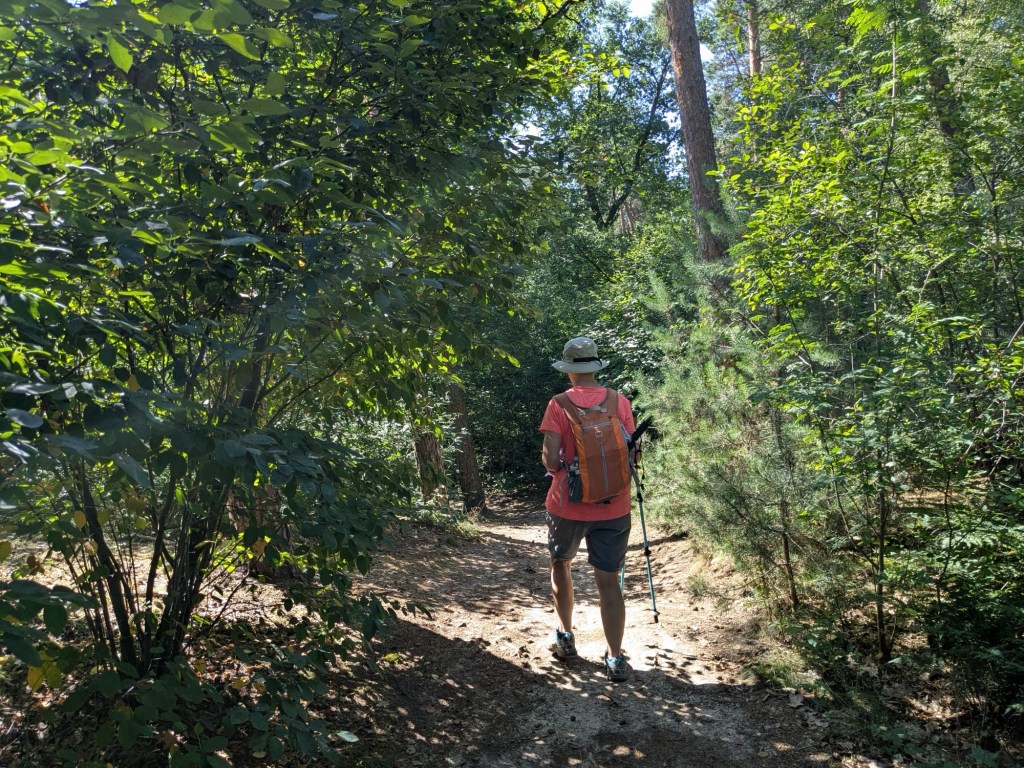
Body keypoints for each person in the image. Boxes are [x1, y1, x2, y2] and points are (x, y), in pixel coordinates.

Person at [539, 336, 636, 682]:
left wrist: (561, 469)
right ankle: (615, 657)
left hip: (568, 504)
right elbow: (632, 453)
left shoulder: (558, 404)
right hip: (615, 505)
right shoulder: (619, 401)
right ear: (596, 367)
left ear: (568, 370)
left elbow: (551, 459)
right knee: (608, 581)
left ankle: (565, 637)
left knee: (560, 563)